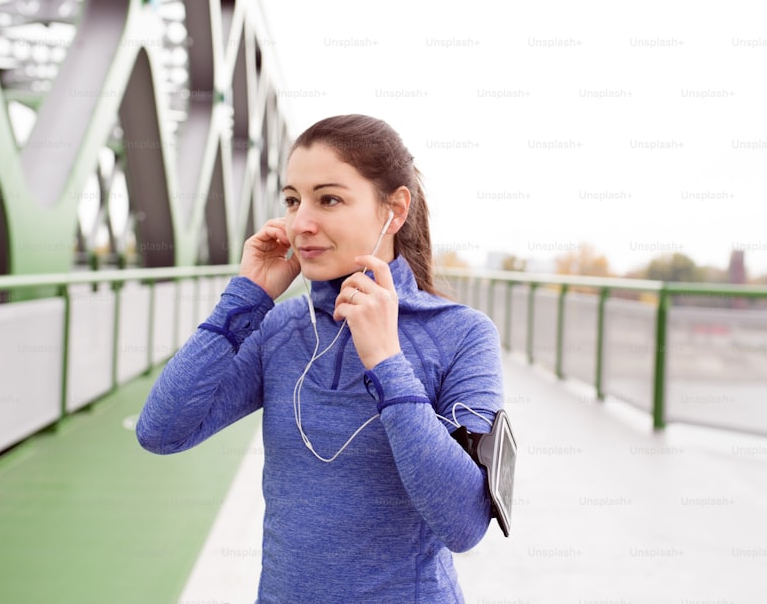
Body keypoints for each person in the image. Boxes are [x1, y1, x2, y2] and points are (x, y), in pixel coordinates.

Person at [136, 114, 505, 603]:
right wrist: (245, 299)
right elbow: (161, 431)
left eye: (328, 199)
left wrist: (387, 362)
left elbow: (463, 524)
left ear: (394, 210)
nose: (300, 223)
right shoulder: (280, 328)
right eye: (292, 200)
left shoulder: (462, 335)